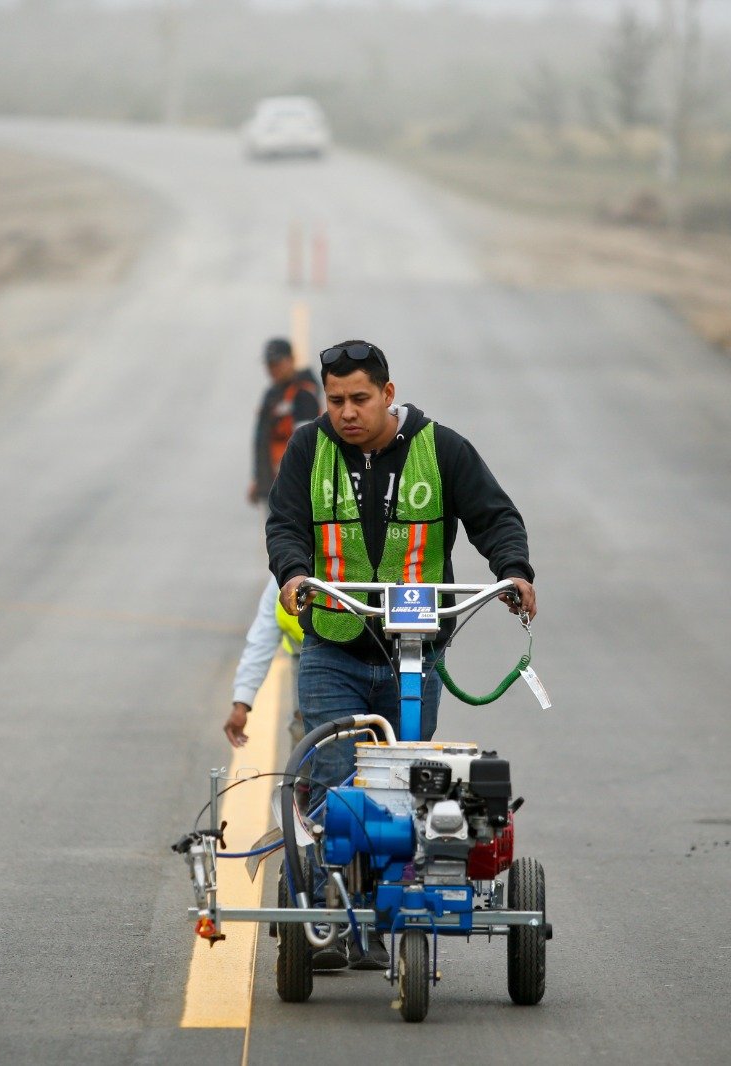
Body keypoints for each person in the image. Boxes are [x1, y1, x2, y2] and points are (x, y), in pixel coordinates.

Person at [265, 338, 536, 970]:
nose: (346, 412)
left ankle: (387, 914)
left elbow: (495, 517)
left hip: (414, 657)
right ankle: (332, 918)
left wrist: (514, 570)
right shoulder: (308, 449)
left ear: (388, 394)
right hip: (333, 648)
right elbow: (285, 524)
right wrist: (294, 571)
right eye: (335, 400)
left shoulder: (442, 449)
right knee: (336, 784)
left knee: (400, 787)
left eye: (360, 398)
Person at [222, 578, 305, 750]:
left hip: (359, 654)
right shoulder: (282, 580)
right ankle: (304, 768)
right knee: (305, 728)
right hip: (305, 659)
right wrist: (242, 702)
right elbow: (261, 640)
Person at [249, 337, 322, 505]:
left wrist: (298, 483)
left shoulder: (303, 394)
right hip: (272, 482)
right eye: (269, 364)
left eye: (277, 363)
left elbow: (306, 444)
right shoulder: (272, 394)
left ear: (291, 360)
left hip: (292, 484)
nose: (272, 369)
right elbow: (263, 439)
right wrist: (258, 478)